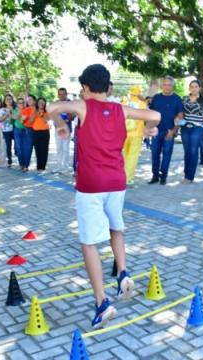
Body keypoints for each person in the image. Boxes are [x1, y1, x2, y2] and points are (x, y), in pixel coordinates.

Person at [47, 64, 160, 329]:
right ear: (108, 87)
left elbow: (52, 109)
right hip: (116, 181)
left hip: (90, 184)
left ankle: (102, 302)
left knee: (89, 243)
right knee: (115, 227)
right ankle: (123, 273)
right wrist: (148, 130)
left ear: (85, 88)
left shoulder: (83, 106)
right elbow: (154, 114)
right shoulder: (121, 109)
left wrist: (61, 123)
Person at [149, 76, 184, 185]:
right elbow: (151, 114)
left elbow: (180, 115)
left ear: (172, 85)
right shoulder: (156, 97)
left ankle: (163, 177)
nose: (167, 87)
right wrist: (150, 128)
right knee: (154, 154)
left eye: (169, 84)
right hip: (156, 131)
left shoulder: (177, 98)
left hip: (169, 131)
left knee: (167, 155)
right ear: (161, 85)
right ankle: (155, 176)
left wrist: (173, 131)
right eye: (164, 84)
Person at [180, 80, 203, 184]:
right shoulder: (184, 99)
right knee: (187, 152)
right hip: (185, 128)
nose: (194, 88)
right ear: (189, 88)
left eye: (196, 86)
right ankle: (186, 175)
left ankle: (190, 177)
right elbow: (181, 113)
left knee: (193, 151)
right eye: (192, 86)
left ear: (199, 88)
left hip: (197, 129)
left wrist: (201, 125)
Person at [122, 86, 147, 185]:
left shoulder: (123, 103)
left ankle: (120, 176)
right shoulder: (142, 104)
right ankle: (128, 179)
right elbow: (146, 118)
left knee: (123, 156)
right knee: (133, 156)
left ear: (130, 93)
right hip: (137, 133)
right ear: (139, 93)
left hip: (123, 133)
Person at [55, 88, 74, 173]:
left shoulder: (70, 103)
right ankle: (59, 166)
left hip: (66, 129)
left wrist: (67, 119)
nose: (62, 96)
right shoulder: (56, 103)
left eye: (63, 94)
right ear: (58, 95)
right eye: (60, 94)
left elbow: (73, 116)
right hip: (58, 129)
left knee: (66, 148)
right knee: (59, 149)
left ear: (66, 94)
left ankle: (65, 167)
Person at [32, 97, 50, 172]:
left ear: (45, 104)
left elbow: (46, 120)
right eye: (40, 102)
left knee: (44, 150)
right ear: (37, 103)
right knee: (37, 150)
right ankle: (38, 166)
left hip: (45, 132)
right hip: (36, 132)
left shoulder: (47, 111)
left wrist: (40, 115)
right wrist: (35, 114)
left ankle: (43, 167)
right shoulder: (34, 111)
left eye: (43, 102)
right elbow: (31, 121)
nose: (41, 104)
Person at [1, 94, 15, 167]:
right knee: (8, 146)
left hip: (16, 129)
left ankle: (18, 155)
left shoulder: (16, 108)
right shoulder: (2, 109)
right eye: (7, 99)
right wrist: (7, 114)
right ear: (5, 101)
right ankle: (9, 160)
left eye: (10, 99)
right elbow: (0, 120)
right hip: (6, 130)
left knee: (17, 145)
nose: (9, 100)